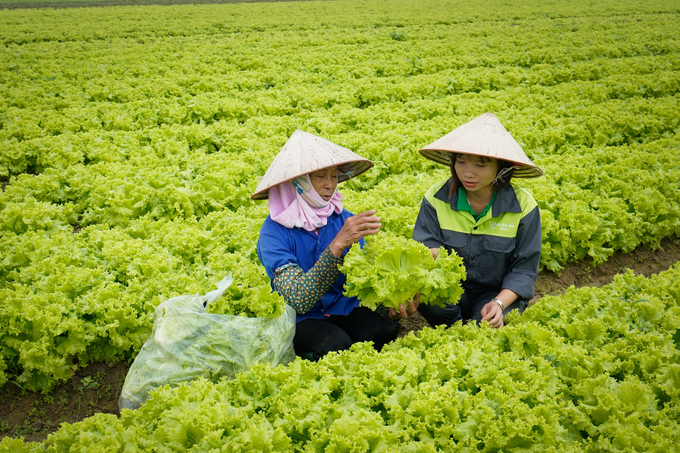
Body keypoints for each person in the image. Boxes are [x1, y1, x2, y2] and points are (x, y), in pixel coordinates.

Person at [253, 130, 418, 361]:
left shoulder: (342, 217)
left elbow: (361, 279)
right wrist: (337, 244)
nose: (330, 185)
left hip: (341, 306)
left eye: (333, 176)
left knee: (383, 329)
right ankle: (303, 362)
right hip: (300, 317)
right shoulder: (273, 232)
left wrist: (388, 306)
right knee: (334, 344)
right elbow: (298, 299)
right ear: (298, 182)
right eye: (320, 176)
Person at [412, 112, 543, 329]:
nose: (468, 173)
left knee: (486, 325)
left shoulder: (524, 207)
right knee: (429, 298)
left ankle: (483, 319)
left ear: (501, 167)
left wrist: (499, 303)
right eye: (461, 162)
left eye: (481, 165)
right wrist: (428, 255)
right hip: (450, 290)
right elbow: (426, 246)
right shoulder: (436, 199)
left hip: (498, 292)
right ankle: (451, 330)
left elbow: (524, 269)